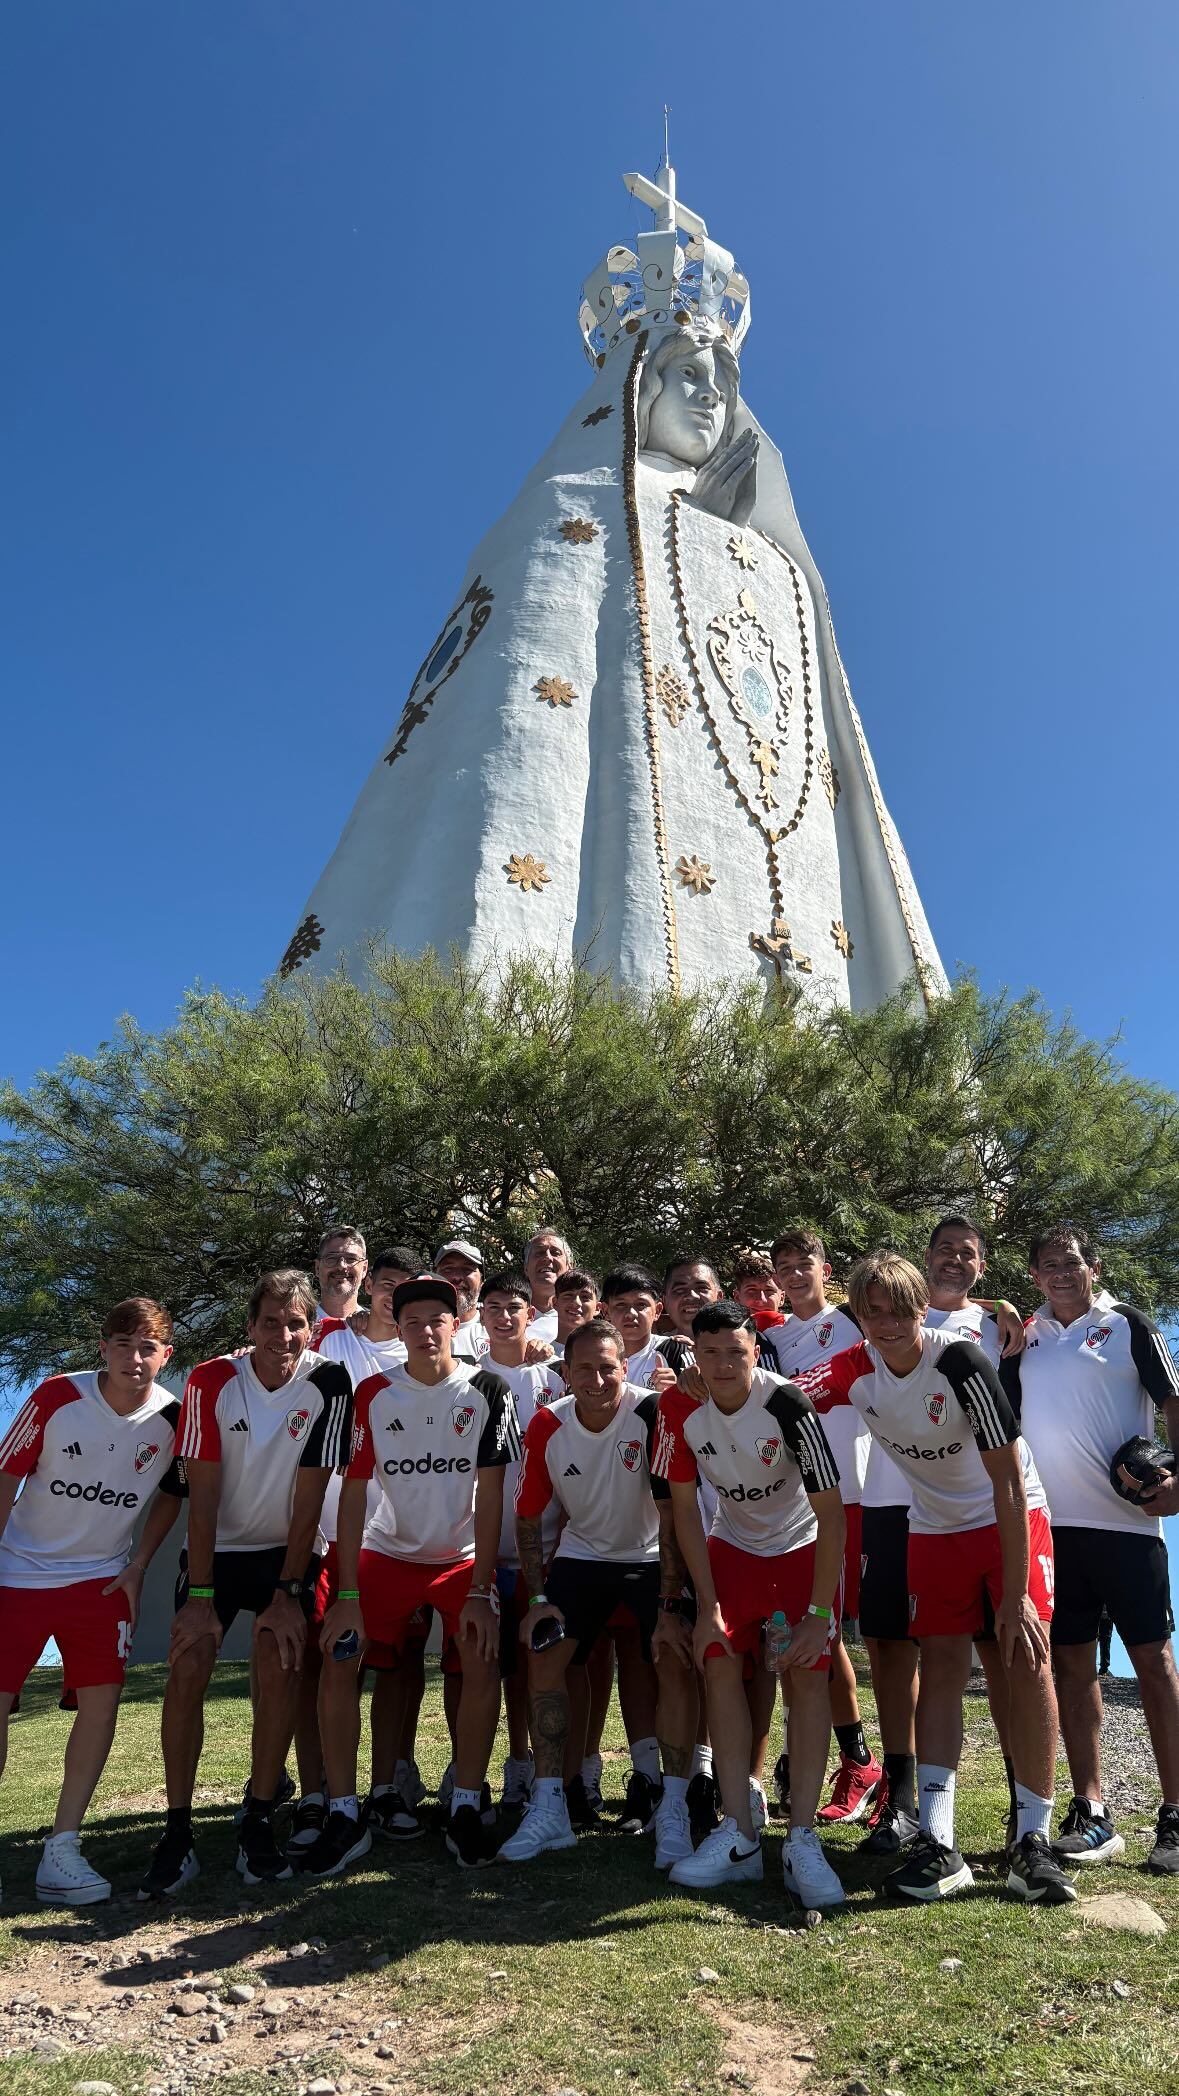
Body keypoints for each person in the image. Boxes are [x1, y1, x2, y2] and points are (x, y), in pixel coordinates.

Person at [801, 1251, 1073, 1905]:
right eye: (871, 1313)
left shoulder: (957, 1361)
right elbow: (778, 1393)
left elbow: (1006, 1481)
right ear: (859, 1317)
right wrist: (701, 1382)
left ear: (920, 1309)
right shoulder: (852, 1367)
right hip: (934, 1526)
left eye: (898, 1310)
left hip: (1008, 1513)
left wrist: (1014, 1598)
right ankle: (938, 1841)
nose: (886, 1324)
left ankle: (1032, 1843)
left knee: (1025, 1656)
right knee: (943, 1663)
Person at [139, 1270, 353, 1897]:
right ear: (250, 1326)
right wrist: (200, 1599)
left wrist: (288, 1594)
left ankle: (257, 1818)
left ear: (312, 1330)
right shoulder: (211, 1380)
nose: (282, 1336)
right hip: (216, 1554)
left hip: (288, 1554)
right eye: (269, 1322)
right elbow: (200, 1500)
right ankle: (177, 1832)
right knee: (187, 1663)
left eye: (295, 1324)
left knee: (281, 1657)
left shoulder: (328, 1381)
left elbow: (310, 1497)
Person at [313, 1275, 520, 1875]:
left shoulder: (487, 1389)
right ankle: (345, 1812)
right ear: (396, 1329)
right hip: (390, 1553)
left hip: (458, 1561)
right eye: (412, 1323)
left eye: (437, 1320)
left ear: (458, 1323)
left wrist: (481, 1588)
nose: (426, 1332)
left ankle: (464, 1804)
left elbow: (491, 1494)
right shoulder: (374, 1392)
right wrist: (347, 1592)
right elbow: (352, 1495)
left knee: (481, 1655)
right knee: (340, 1654)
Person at [653, 1301, 847, 1908]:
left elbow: (832, 1511)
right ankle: (737, 1833)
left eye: (736, 1352)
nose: (724, 1365)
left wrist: (819, 1614)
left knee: (808, 1678)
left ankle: (802, 1839)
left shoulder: (787, 1402)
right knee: (715, 1658)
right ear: (693, 1352)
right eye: (709, 1353)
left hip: (800, 1547)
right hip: (732, 1548)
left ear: (754, 1348)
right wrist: (705, 1602)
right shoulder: (678, 1405)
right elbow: (683, 1509)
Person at [0, 1300, 185, 1906]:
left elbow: (174, 1493)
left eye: (148, 1347)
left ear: (166, 1355)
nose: (136, 1358)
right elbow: (5, 1477)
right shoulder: (57, 1398)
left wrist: (136, 1565)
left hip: (101, 1583)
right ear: (102, 1347)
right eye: (124, 1344)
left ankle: (62, 1848)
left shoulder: (175, 1418)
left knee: (101, 1705)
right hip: (17, 1572)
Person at [499, 1317, 697, 1867]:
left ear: (624, 1367)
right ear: (565, 1373)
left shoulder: (651, 1413)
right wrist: (539, 1600)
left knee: (673, 1657)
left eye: (607, 1367)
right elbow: (527, 1517)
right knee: (544, 1657)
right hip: (582, 1557)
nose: (596, 1379)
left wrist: (669, 1603)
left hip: (653, 1555)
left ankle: (673, 1804)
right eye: (583, 1368)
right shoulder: (546, 1424)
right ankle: (550, 1805)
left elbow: (672, 1512)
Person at [1014, 1222, 1179, 1875]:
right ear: (1033, 1275)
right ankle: (1092, 1813)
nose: (1060, 1272)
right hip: (1052, 1529)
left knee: (1153, 1664)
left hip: (1127, 1527)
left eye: (1071, 1262)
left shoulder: (1127, 1325)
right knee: (1071, 1668)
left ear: (1094, 1266)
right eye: (1047, 1263)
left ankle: (1174, 1816)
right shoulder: (1021, 1335)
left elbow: (1173, 1401)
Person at [294, 1245, 420, 1852]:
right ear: (370, 1286)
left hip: (401, 1536)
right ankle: (318, 1793)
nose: (395, 1298)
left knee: (398, 1666)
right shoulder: (329, 1340)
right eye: (386, 1284)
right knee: (324, 1660)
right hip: (331, 1529)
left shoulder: (429, 1353)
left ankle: (388, 1785)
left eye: (407, 1288)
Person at [478, 1271, 565, 1808]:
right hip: (485, 1545)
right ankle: (516, 1763)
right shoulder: (466, 1378)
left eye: (515, 1306)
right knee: (498, 1664)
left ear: (530, 1313)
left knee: (546, 1660)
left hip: (549, 1542)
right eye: (494, 1307)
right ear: (480, 1316)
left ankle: (563, 1767)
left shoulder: (553, 1379)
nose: (505, 1316)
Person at [435, 1241, 490, 1363]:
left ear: (482, 1281)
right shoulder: (415, 1327)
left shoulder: (500, 1325)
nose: (457, 1277)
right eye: (448, 1269)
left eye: (467, 1269)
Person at [522, 1231, 575, 1347]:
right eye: (539, 1253)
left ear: (569, 1266)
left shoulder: (580, 1317)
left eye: (556, 1253)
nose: (547, 1258)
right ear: (526, 1268)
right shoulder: (508, 1314)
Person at [314, 1225, 369, 1322]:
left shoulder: (377, 1328)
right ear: (317, 1268)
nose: (341, 1266)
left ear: (364, 1269)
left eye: (351, 1259)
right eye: (331, 1258)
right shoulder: (297, 1327)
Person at [549, 1268, 601, 1364]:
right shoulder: (541, 1357)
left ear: (598, 1308)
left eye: (585, 1297)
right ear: (555, 1303)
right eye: (568, 1295)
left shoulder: (608, 1356)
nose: (576, 1303)